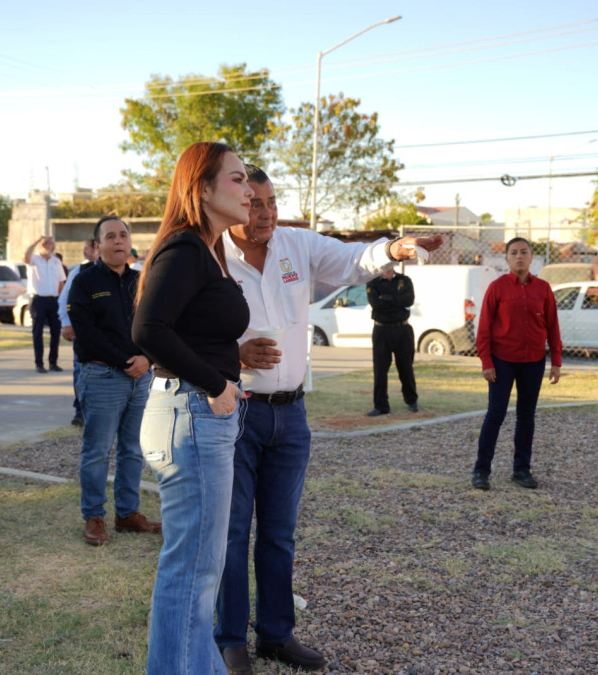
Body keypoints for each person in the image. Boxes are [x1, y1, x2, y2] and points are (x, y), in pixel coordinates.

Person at [214, 164, 443, 674]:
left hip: (291, 416)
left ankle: (276, 634)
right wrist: (234, 353)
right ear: (231, 205)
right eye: (253, 203)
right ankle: (230, 639)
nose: (266, 213)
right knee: (231, 533)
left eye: (271, 202)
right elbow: (181, 331)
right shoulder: (210, 255)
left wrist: (395, 249)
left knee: (279, 532)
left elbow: (352, 259)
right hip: (235, 413)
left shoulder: (296, 244)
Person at [132, 141, 251, 674]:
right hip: (192, 414)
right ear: (201, 188)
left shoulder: (205, 250)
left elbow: (185, 328)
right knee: (193, 572)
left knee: (201, 569)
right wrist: (214, 382)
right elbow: (148, 329)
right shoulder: (184, 248)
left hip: (193, 414)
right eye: (237, 179)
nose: (249, 190)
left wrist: (231, 362)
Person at [68, 216, 159, 546]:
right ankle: (94, 516)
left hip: (141, 378)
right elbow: (87, 334)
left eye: (123, 235)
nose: (118, 241)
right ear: (97, 245)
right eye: (110, 236)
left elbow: (154, 325)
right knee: (97, 451)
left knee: (133, 449)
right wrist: (126, 361)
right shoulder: (85, 281)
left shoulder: (141, 281)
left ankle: (127, 513)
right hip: (103, 376)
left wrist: (148, 358)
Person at [471, 237, 562, 492]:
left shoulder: (543, 289)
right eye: (514, 253)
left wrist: (556, 361)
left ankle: (521, 470)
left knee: (526, 417)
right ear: (507, 259)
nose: (519, 257)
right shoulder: (497, 288)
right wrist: (486, 362)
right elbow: (484, 328)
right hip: (502, 362)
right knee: (495, 415)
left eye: (524, 252)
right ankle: (481, 471)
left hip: (533, 362)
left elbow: (553, 326)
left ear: (532, 257)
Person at [365, 267, 418, 416]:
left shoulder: (404, 280)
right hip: (382, 330)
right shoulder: (373, 283)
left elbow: (408, 300)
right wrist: (396, 301)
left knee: (406, 367)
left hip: (402, 329)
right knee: (380, 370)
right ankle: (381, 405)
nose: (387, 267)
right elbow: (376, 304)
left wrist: (386, 298)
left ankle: (411, 400)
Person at [59, 237, 99, 426]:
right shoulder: (80, 271)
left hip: (115, 335)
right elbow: (64, 299)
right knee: (81, 372)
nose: (84, 251)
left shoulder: (127, 273)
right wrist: (67, 324)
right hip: (84, 334)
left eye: (87, 248)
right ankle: (81, 411)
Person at [22, 235, 66, 373]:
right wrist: (36, 240)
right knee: (38, 332)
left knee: (55, 332)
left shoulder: (56, 261)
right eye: (45, 243)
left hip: (53, 300)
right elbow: (25, 255)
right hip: (38, 299)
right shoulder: (34, 259)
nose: (48, 245)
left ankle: (53, 362)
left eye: (50, 243)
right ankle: (39, 363)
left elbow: (61, 282)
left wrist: (61, 300)